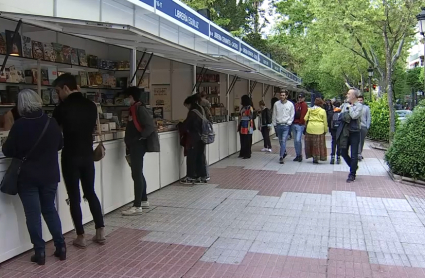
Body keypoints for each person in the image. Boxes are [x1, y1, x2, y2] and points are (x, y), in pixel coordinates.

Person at [2, 89, 66, 265]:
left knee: (33, 214)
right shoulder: (51, 122)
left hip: (27, 177)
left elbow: (7, 150)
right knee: (50, 209)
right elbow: (60, 145)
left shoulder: (19, 125)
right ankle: (60, 246)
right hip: (50, 175)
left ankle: (40, 252)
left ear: (21, 105)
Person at [52, 73, 105, 248]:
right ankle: (100, 231)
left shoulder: (62, 108)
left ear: (66, 88)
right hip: (87, 155)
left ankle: (81, 236)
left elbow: (54, 131)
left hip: (70, 156)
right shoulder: (91, 105)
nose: (58, 95)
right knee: (90, 192)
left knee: (74, 196)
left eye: (58, 91)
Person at [122, 87, 160, 215]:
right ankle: (143, 199)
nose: (125, 100)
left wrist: (139, 137)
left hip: (138, 145)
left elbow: (150, 126)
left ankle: (137, 205)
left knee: (136, 173)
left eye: (127, 97)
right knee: (137, 173)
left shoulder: (140, 109)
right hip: (135, 145)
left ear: (132, 97)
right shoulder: (134, 108)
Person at [337, 89, 363, 183]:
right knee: (342, 151)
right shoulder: (345, 104)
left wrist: (350, 107)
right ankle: (354, 166)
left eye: (349, 93)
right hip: (345, 131)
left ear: (354, 96)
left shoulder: (359, 106)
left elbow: (354, 116)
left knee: (354, 154)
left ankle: (352, 174)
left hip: (355, 132)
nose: (347, 95)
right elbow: (341, 115)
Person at [180, 94, 208, 184]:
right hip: (202, 137)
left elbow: (187, 124)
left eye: (186, 105)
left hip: (193, 138)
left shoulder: (193, 112)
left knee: (191, 157)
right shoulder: (201, 109)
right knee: (200, 156)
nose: (187, 108)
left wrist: (179, 125)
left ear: (189, 104)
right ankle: (202, 175)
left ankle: (191, 176)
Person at [272, 90, 295, 164]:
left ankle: (281, 156)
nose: (281, 96)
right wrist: (274, 123)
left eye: (283, 95)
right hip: (278, 125)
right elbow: (274, 114)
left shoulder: (290, 104)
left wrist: (289, 122)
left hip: (286, 125)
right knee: (280, 141)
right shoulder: (276, 104)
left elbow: (292, 114)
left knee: (283, 141)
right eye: (281, 95)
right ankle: (284, 151)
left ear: (286, 96)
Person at [304, 98, 328, 164]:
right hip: (319, 129)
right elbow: (325, 122)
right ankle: (317, 157)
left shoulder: (309, 109)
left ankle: (311, 155)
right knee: (318, 144)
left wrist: (306, 126)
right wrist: (325, 130)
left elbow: (305, 118)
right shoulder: (323, 111)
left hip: (310, 128)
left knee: (311, 143)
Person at [292, 93, 308, 162]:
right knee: (296, 141)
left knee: (298, 140)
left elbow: (303, 114)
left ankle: (299, 154)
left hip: (300, 124)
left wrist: (301, 122)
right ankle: (298, 155)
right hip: (294, 123)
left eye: (301, 97)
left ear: (304, 98)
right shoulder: (296, 105)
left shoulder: (304, 105)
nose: (300, 98)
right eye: (299, 97)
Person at [238, 95, 255, 159]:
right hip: (242, 124)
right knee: (242, 139)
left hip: (247, 125)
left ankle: (247, 153)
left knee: (247, 139)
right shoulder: (243, 107)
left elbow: (250, 116)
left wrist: (243, 115)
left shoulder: (249, 107)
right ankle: (242, 152)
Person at [357, 95, 371, 161]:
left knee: (361, 141)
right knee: (356, 141)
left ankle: (359, 153)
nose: (360, 101)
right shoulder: (354, 107)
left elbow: (368, 118)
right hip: (356, 126)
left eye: (361, 100)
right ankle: (357, 153)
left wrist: (367, 126)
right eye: (358, 100)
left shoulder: (366, 108)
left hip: (363, 126)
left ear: (363, 100)